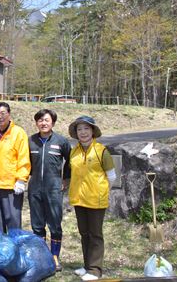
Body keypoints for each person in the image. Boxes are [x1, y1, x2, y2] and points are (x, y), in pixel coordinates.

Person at [68, 116, 116, 281]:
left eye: (86, 129)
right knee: (84, 233)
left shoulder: (102, 151)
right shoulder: (74, 151)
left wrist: (101, 191)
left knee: (95, 234)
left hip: (96, 200)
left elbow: (112, 176)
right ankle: (87, 266)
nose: (83, 132)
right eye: (79, 129)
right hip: (79, 199)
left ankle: (95, 270)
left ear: (93, 131)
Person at [28, 109, 71, 271]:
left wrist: (65, 178)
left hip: (53, 188)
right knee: (37, 225)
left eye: (46, 120)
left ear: (52, 122)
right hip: (35, 188)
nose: (43, 123)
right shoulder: (30, 140)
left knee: (55, 224)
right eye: (40, 120)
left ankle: (54, 257)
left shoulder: (61, 141)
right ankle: (41, 256)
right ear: (36, 123)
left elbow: (70, 160)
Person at [0, 102, 30, 233]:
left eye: (3, 113)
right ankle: (0, 249)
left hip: (11, 185)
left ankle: (15, 247)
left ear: (9, 114)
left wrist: (21, 179)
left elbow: (23, 156)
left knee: (13, 220)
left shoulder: (18, 133)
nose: (0, 117)